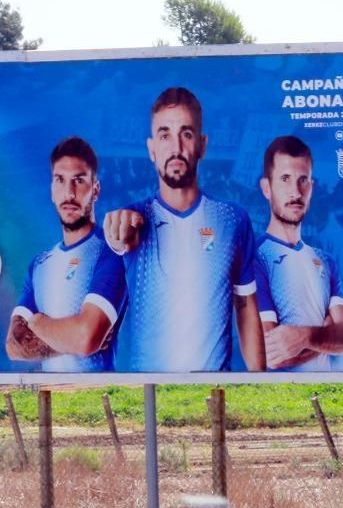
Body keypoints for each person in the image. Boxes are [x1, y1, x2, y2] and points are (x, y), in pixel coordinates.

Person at [102, 87, 265, 373]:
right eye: (165, 135)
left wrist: (258, 382)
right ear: (151, 149)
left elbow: (246, 306)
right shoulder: (131, 217)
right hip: (146, 395)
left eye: (186, 134)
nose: (175, 148)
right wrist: (115, 235)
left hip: (216, 393)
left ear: (202, 145)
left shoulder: (233, 220)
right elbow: (117, 234)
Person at [5, 137, 126, 371]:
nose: (69, 193)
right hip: (48, 398)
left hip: (100, 397)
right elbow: (14, 345)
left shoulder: (110, 251)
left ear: (96, 189)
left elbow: (86, 338)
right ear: (52, 190)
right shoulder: (39, 265)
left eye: (79, 181)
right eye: (60, 180)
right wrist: (70, 339)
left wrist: (38, 323)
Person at [253, 135, 343, 371]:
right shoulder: (256, 258)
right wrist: (327, 334)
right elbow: (272, 356)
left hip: (328, 391)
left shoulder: (325, 260)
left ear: (312, 187)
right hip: (275, 398)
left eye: (303, 180)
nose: (295, 191)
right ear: (266, 188)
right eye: (285, 179)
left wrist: (303, 337)